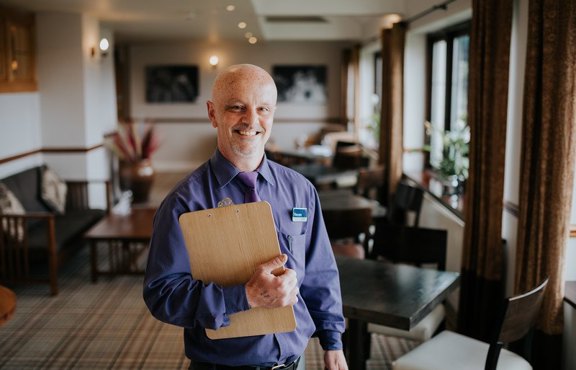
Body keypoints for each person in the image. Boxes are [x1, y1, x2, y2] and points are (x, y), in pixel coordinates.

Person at [143, 64, 348, 370]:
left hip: (295, 361)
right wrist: (244, 296)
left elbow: (320, 273)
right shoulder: (184, 202)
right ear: (213, 114)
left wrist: (333, 341)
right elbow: (162, 294)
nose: (251, 120)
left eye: (263, 108)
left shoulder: (300, 191)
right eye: (237, 108)